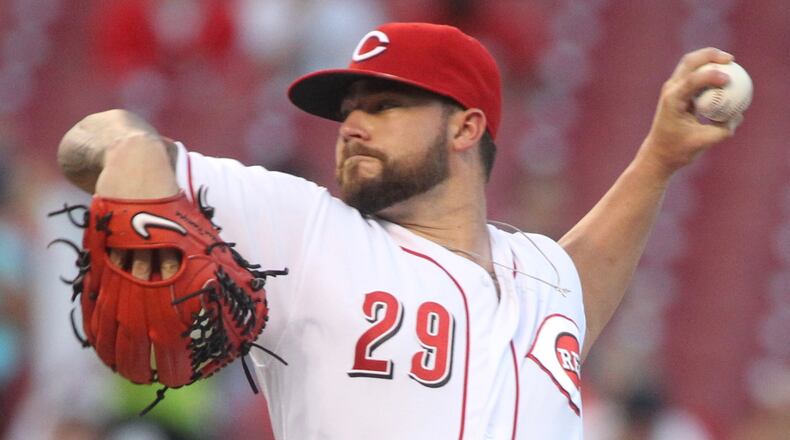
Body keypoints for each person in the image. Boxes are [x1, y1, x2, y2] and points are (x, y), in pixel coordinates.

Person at [56, 22, 739, 439]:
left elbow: (577, 292)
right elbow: (90, 139)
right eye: (349, 111)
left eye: (384, 106)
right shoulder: (305, 228)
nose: (352, 124)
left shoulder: (541, 276)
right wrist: (136, 151)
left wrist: (659, 159)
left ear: (466, 127)